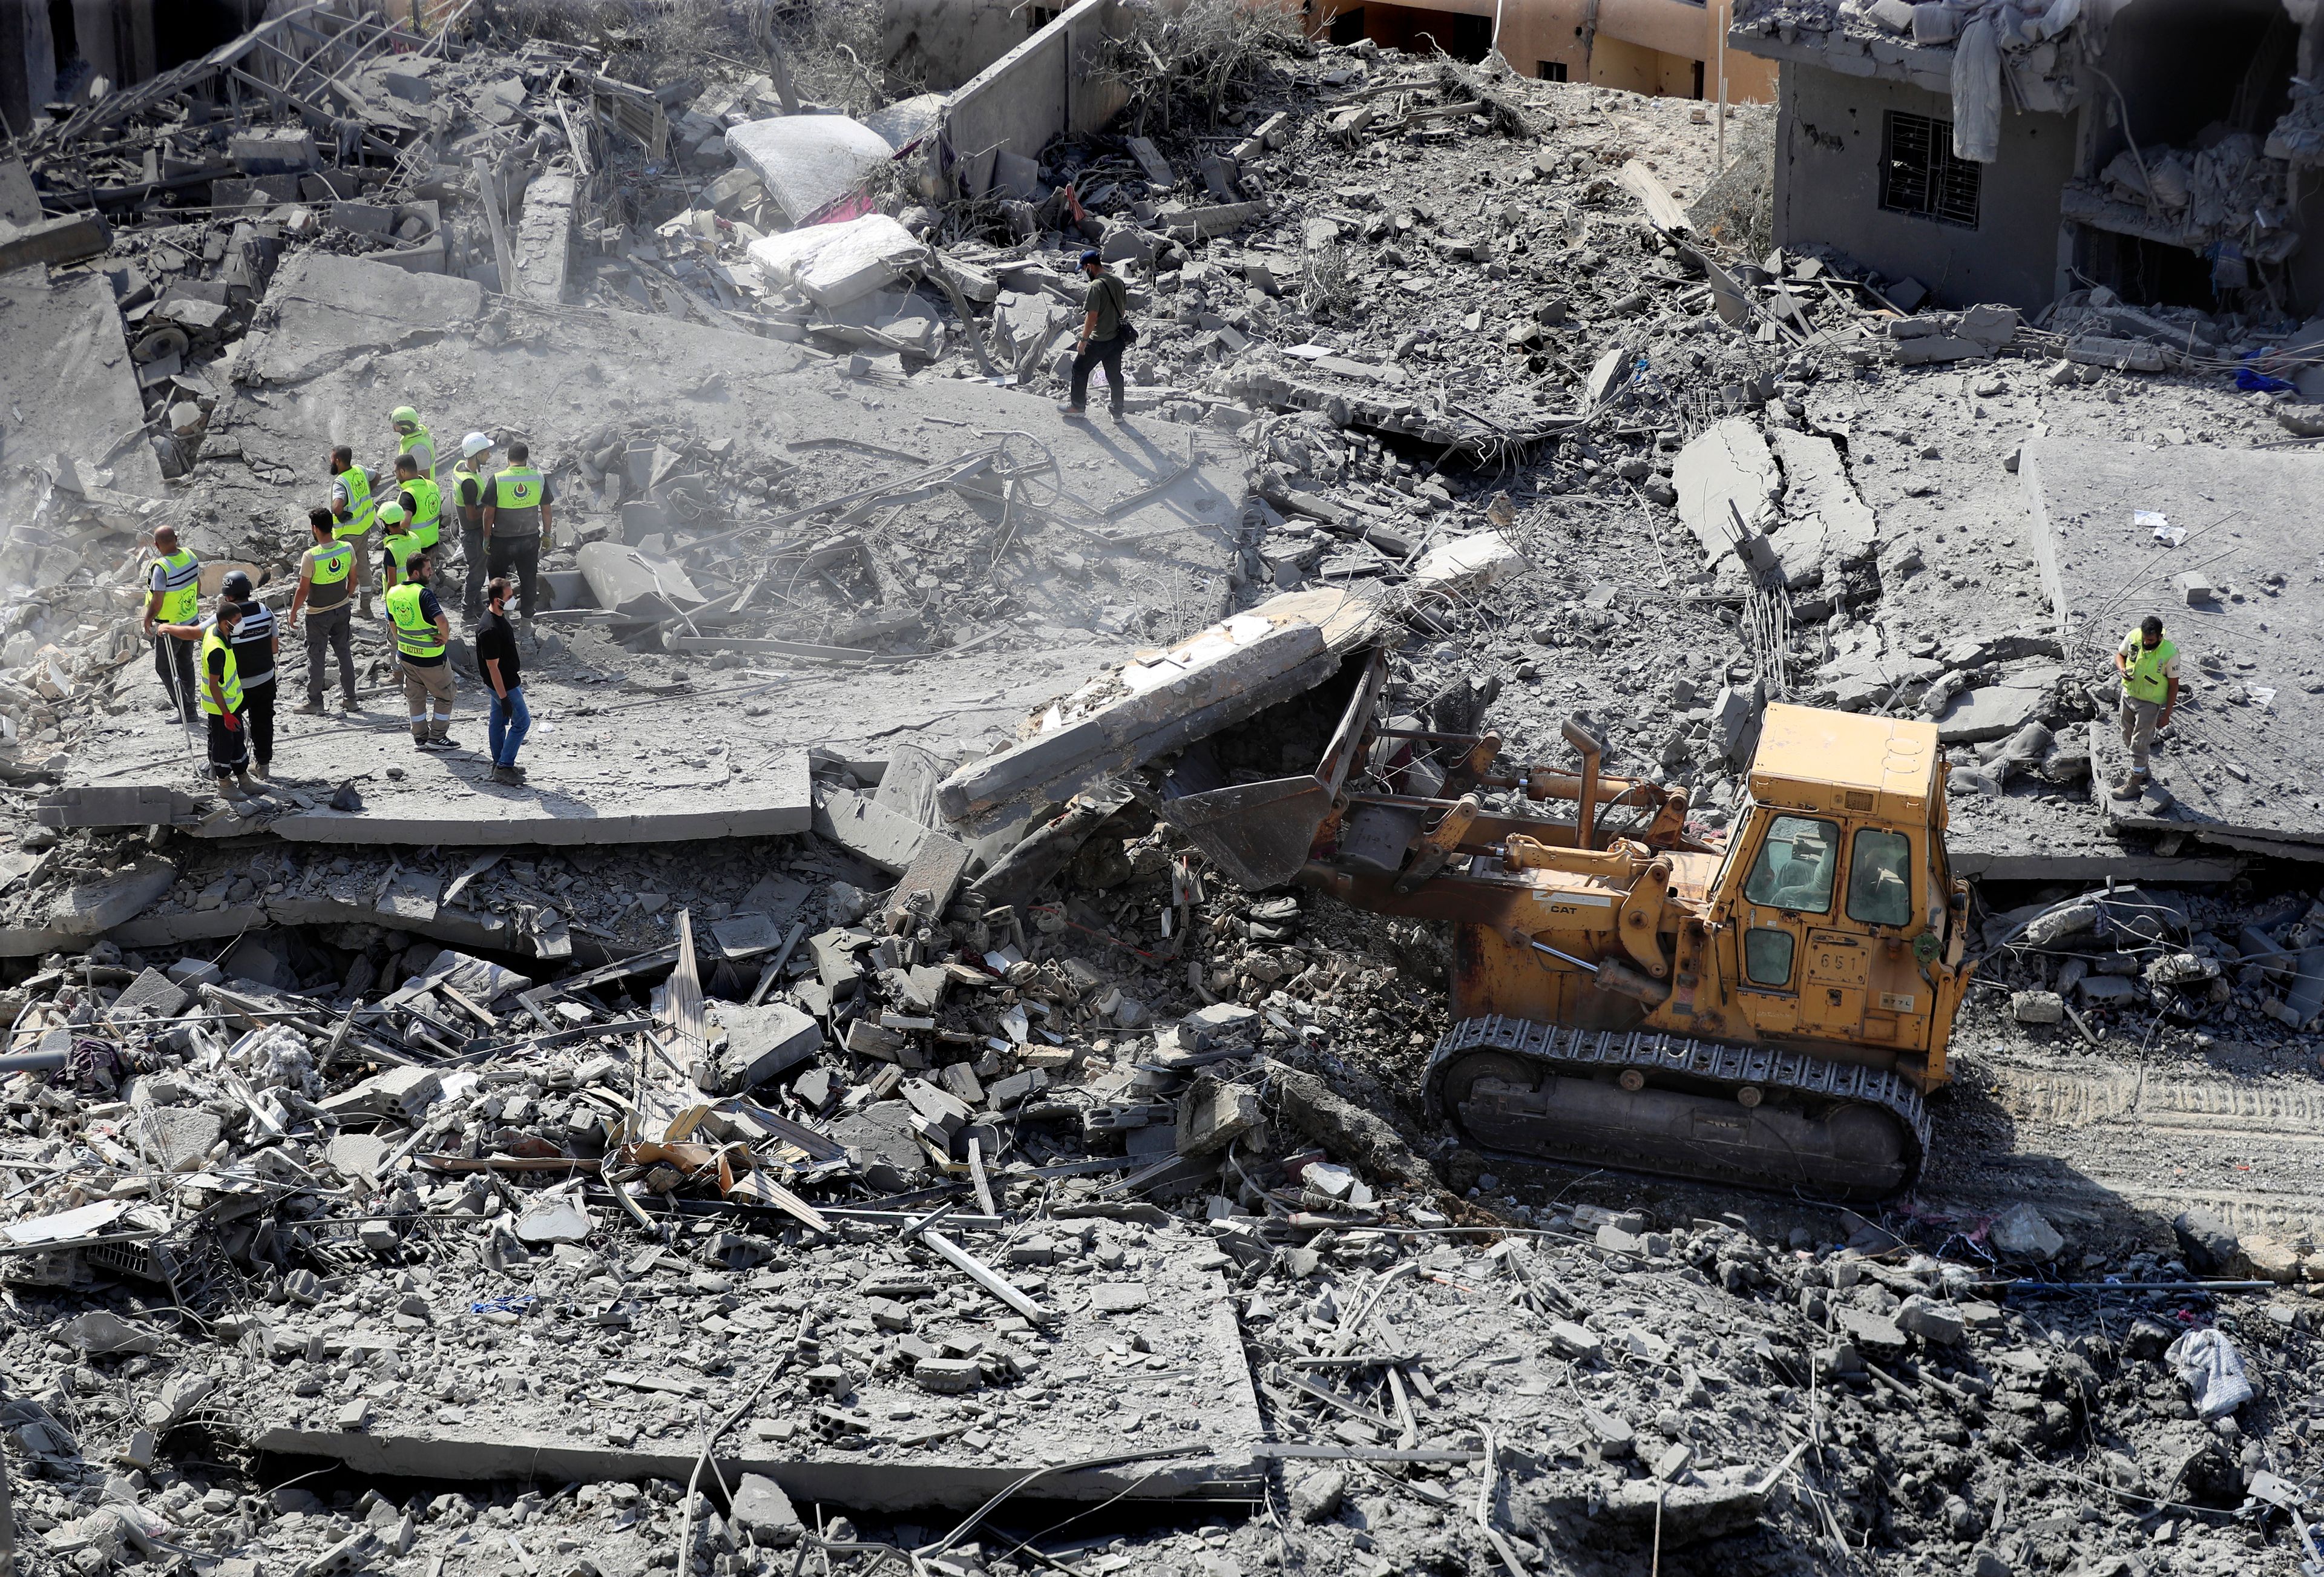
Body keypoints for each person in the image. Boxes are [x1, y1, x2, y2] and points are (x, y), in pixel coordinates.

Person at [156, 597, 256, 799]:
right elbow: (214, 685)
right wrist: (227, 714)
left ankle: (244, 779)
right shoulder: (216, 649)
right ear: (224, 622)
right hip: (221, 709)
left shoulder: (217, 633)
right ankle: (225, 785)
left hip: (232, 704)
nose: (240, 624)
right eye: (237, 620)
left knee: (237, 742)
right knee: (222, 746)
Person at [287, 507, 359, 715]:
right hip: (342, 609)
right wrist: (346, 595)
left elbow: (303, 590)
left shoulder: (311, 556)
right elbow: (353, 579)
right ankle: (350, 699)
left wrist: (293, 613)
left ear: (314, 529)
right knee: (344, 653)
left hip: (318, 614)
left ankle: (316, 702)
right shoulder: (347, 548)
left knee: (316, 657)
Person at [384, 550, 457, 750]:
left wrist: (401, 641)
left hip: (407, 655)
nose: (431, 572)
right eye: (428, 569)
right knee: (446, 694)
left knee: (415, 697)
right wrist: (445, 637)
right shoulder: (423, 594)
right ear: (417, 573)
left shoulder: (393, 593)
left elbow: (392, 622)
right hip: (430, 657)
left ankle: (420, 737)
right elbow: (441, 620)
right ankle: (437, 737)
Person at [219, 570, 279, 782]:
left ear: (228, 596)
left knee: (231, 724)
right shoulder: (265, 610)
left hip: (238, 684)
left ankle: (234, 768)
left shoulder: (226, 618)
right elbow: (274, 647)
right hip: (265, 678)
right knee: (263, 721)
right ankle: (263, 765)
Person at [2112, 613, 2180, 798]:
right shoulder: (2134, 636)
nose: (2146, 643)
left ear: (2160, 637)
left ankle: (2133, 784)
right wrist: (2122, 669)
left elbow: (2174, 685)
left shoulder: (2170, 653)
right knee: (2127, 735)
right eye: (2144, 639)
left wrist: (2167, 714)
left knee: (2139, 743)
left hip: (2150, 703)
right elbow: (2120, 655)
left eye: (2150, 640)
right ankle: (2143, 771)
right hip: (2129, 695)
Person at [1060, 249, 1132, 423]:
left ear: (1090, 266)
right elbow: (1122, 309)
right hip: (1116, 339)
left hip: (1099, 340)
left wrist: (1083, 341)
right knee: (1114, 375)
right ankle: (1117, 412)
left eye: (1084, 270)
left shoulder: (1095, 286)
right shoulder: (1118, 281)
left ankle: (1077, 407)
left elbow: (1092, 317)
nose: (1084, 273)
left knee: (1079, 368)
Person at [483, 440, 551, 621]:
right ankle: (526, 624)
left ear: (508, 459)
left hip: (502, 541)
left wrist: (486, 538)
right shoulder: (538, 478)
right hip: (529, 540)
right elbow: (546, 510)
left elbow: (489, 515)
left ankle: (498, 618)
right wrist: (547, 534)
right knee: (529, 580)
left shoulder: (498, 479)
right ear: (526, 459)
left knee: (497, 581)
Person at [142, 524, 202, 725]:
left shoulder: (162, 567)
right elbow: (198, 584)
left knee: (165, 668)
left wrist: (148, 618)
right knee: (186, 663)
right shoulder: (190, 555)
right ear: (176, 538)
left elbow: (157, 600)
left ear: (156, 545)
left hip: (170, 628)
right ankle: (190, 704)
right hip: (191, 620)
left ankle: (187, 710)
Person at [476, 577, 529, 786]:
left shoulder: (497, 616)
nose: (513, 599)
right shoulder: (490, 629)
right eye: (509, 597)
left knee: (498, 722)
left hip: (501, 683)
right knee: (522, 722)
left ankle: (500, 762)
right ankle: (504, 766)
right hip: (504, 685)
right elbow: (492, 667)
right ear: (498, 600)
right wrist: (504, 697)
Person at [328, 445, 381, 617]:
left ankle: (340, 608)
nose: (331, 462)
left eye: (332, 459)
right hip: (363, 529)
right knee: (363, 568)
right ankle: (366, 608)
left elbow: (337, 507)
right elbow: (377, 476)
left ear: (337, 460)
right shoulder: (360, 470)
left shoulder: (341, 482)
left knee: (339, 571)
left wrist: (341, 514)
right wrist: (368, 490)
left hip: (347, 534)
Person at [450, 430, 494, 622]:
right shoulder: (469, 483)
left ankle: (476, 604)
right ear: (476, 455)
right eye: (485, 452)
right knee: (477, 573)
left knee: (477, 570)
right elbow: (471, 514)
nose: (489, 455)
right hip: (473, 532)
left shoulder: (461, 466)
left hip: (467, 530)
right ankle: (467, 612)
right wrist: (491, 503)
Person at [392, 451, 444, 571]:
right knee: (428, 573)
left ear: (402, 472)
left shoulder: (408, 494)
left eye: (396, 472)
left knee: (418, 581)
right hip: (434, 543)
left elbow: (405, 523)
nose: (396, 476)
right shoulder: (432, 486)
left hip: (418, 548)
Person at [375, 501, 421, 599]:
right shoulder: (415, 538)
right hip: (416, 591)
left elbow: (392, 582)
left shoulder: (391, 549)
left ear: (385, 523)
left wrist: (389, 599)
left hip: (399, 596)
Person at [391, 404, 436, 479]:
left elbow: (424, 480)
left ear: (406, 426)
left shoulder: (418, 450)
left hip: (417, 490)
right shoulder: (413, 437)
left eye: (396, 426)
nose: (394, 428)